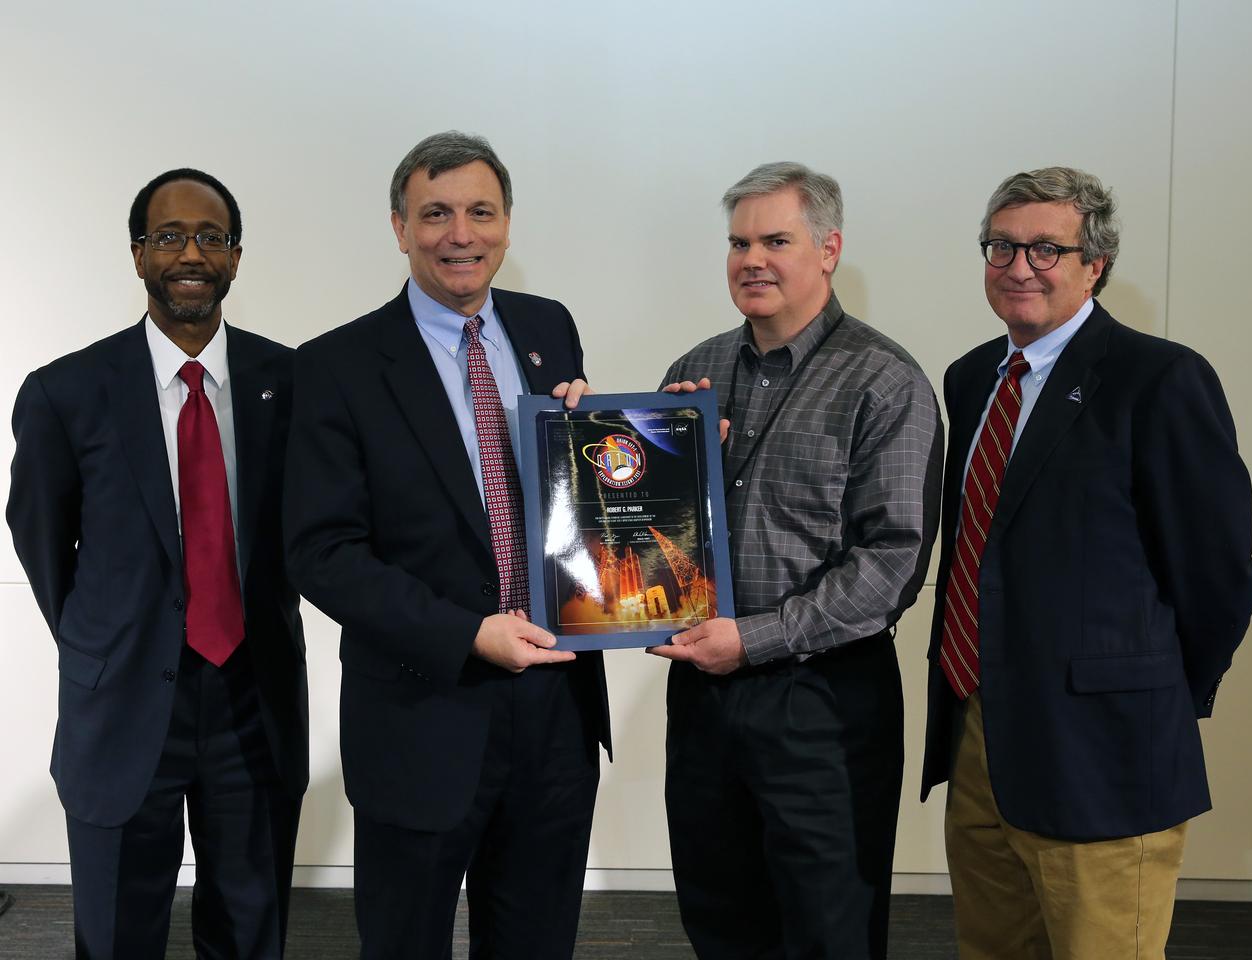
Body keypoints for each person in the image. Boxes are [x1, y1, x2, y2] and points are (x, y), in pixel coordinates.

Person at [283, 131, 610, 959]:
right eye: (435, 213)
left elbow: (577, 505)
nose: (459, 233)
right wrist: (466, 632)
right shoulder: (337, 364)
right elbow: (323, 551)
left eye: (479, 212)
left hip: (555, 713)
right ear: (399, 227)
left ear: (507, 223)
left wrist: (638, 452)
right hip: (422, 713)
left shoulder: (549, 329)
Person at [921, 166, 1252, 959]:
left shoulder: (1161, 379)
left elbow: (1216, 576)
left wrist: (1159, 702)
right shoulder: (972, 378)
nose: (1018, 266)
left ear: (1094, 264)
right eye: (1001, 246)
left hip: (1106, 750)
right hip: (979, 734)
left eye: (1046, 248)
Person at [6, 168, 308, 958]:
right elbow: (42, 538)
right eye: (169, 236)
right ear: (138, 254)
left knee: (250, 929)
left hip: (255, 699)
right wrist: (102, 639)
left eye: (211, 237)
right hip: (122, 703)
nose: (191, 254)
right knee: (116, 933)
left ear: (237, 258)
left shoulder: (294, 384)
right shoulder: (65, 391)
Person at [653, 161, 943, 959]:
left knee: (829, 931)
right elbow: (649, 535)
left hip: (823, 702)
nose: (753, 259)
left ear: (828, 249)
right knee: (719, 920)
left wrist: (754, 638)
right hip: (705, 701)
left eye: (776, 240)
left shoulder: (885, 381)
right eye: (740, 241)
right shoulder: (693, 374)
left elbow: (892, 562)